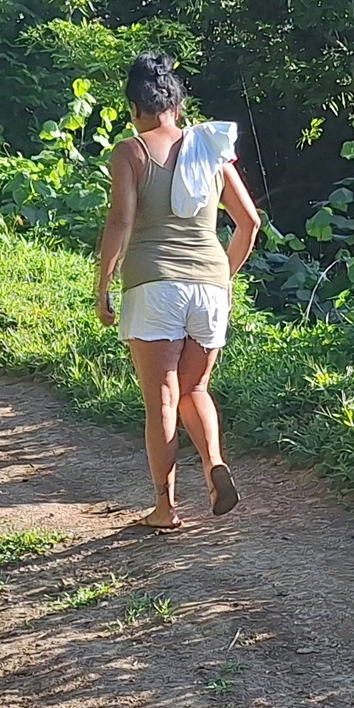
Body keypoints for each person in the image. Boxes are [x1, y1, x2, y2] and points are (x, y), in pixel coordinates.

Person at [93, 51, 262, 530]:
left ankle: (165, 509)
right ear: (178, 105)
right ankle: (213, 464)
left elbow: (121, 220)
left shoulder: (130, 151)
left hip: (154, 285)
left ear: (134, 107)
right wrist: (223, 277)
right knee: (196, 389)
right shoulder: (209, 149)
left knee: (161, 401)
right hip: (208, 286)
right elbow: (248, 223)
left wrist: (103, 283)